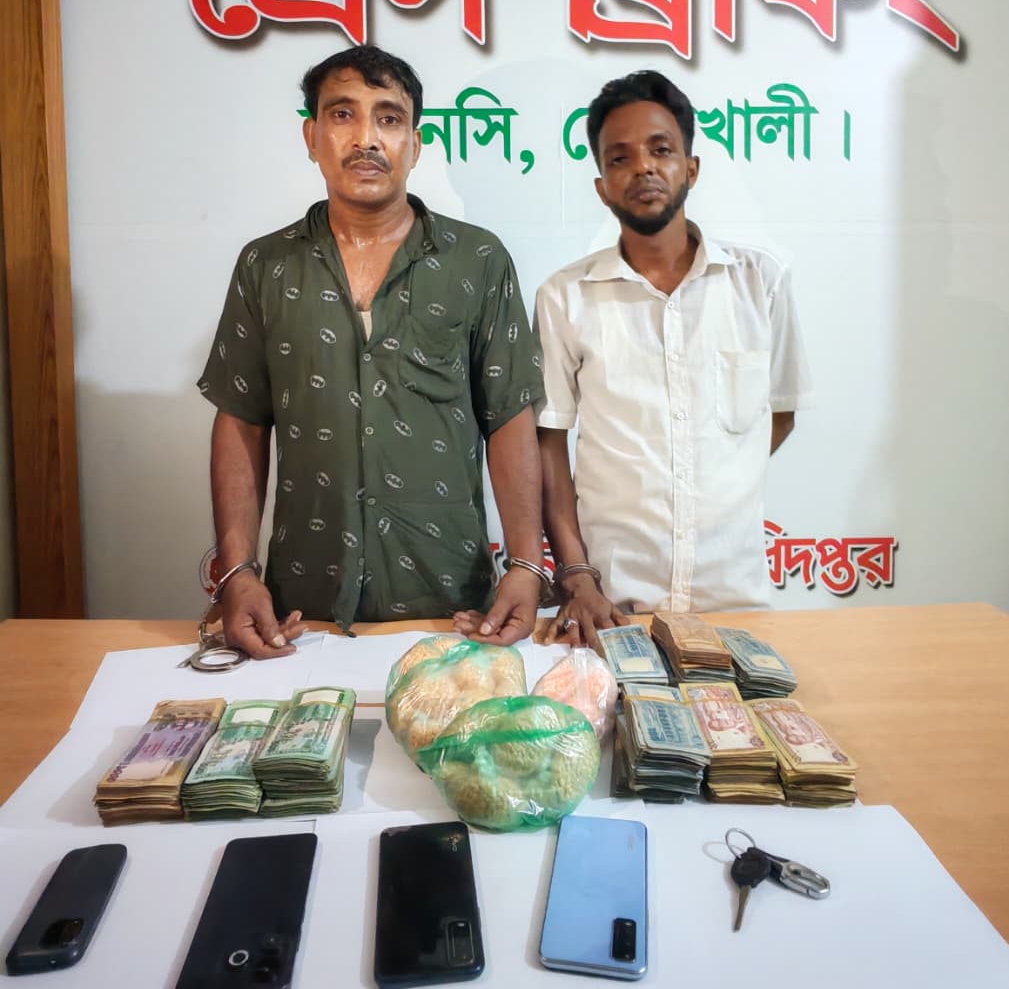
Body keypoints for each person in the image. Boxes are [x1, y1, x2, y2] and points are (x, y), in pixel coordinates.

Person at [198, 44, 548, 659]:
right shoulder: (266, 265)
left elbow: (509, 418)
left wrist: (525, 563)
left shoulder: (477, 260)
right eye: (343, 115)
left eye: (389, 118)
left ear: (416, 142)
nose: (366, 138)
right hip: (301, 608)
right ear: (311, 136)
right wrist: (238, 571)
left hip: (451, 606)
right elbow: (241, 422)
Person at [534, 70, 813, 644]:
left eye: (660, 150)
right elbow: (549, 445)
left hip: (736, 601)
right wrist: (577, 575)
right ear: (601, 186)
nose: (643, 168)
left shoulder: (760, 283)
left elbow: (779, 413)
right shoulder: (565, 297)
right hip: (611, 607)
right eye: (620, 158)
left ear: (691, 167)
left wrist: (714, 475)